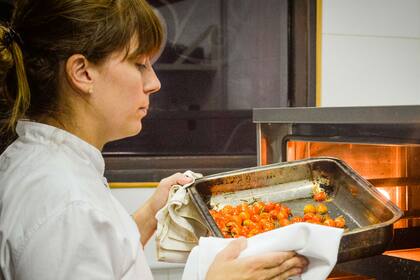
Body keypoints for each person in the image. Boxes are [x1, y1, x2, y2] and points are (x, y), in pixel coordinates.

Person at [0, 0, 308, 279]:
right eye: (139, 64)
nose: (154, 83)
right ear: (83, 72)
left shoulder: (42, 164)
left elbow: (103, 259)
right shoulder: (67, 204)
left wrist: (148, 216)